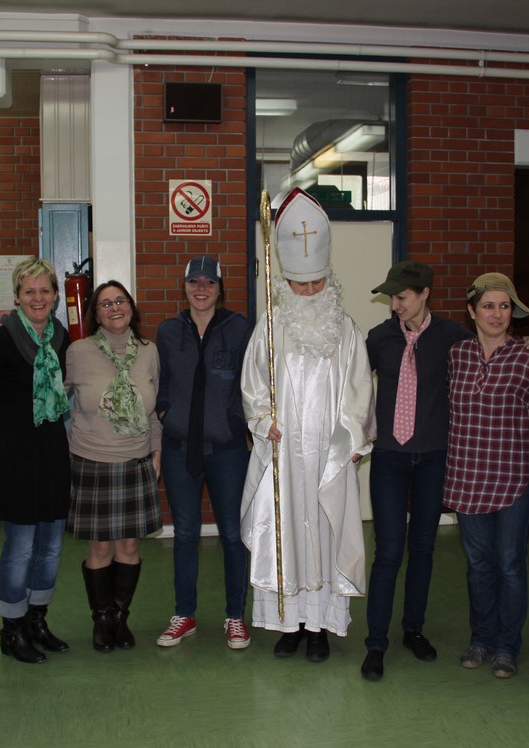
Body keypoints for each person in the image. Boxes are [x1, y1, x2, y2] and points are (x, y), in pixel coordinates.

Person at [240, 187, 376, 662]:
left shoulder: (346, 329)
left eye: (317, 282)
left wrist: (351, 438)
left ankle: (319, 627)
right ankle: (290, 623)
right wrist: (263, 420)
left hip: (328, 454)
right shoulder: (270, 326)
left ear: (328, 277)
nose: (310, 292)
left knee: (323, 530)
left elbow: (359, 388)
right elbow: (253, 382)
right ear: (286, 281)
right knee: (287, 532)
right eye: (300, 284)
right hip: (284, 453)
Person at [360, 260, 472, 680]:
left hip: (433, 457)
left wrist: (527, 343)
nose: (395, 304)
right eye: (392, 297)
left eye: (402, 297)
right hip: (389, 457)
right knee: (389, 549)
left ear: (425, 294)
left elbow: (490, 354)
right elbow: (350, 383)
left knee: (423, 547)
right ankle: (376, 643)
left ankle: (413, 629)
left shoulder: (452, 338)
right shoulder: (380, 338)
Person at [445, 272, 529, 681]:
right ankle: (481, 639)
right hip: (467, 477)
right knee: (478, 565)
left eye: (504, 306)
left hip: (513, 479)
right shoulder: (457, 355)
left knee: (509, 564)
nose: (497, 313)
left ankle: (507, 646)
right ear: (472, 311)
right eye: (488, 306)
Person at [0, 257, 71, 665]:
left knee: (51, 545)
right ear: (16, 297)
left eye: (44, 290)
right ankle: (11, 629)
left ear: (55, 296)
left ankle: (36, 620)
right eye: (29, 291)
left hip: (52, 450)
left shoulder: (61, 338)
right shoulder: (3, 339)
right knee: (21, 547)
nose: (37, 297)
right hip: (15, 453)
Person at [155, 257, 253, 649]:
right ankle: (185, 614)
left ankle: (235, 616)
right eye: (194, 281)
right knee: (184, 533)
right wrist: (166, 412)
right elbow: (162, 381)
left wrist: (235, 422)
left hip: (227, 450)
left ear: (219, 288)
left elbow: (251, 380)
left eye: (209, 282)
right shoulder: (169, 331)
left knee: (232, 533)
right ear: (184, 286)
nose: (201, 288)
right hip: (180, 449)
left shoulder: (239, 328)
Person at [66, 280, 162, 653]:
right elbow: (57, 402)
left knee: (129, 544)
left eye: (120, 301)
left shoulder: (148, 351)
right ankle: (102, 620)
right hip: (92, 460)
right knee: (101, 545)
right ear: (95, 314)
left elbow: (153, 409)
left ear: (131, 307)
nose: (114, 308)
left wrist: (156, 452)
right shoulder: (78, 351)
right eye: (105, 304)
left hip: (135, 459)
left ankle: (120, 618)